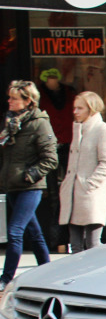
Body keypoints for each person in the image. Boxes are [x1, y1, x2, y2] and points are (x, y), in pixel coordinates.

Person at [0, 80, 56, 288]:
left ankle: (5, 279)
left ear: (28, 101)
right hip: (13, 185)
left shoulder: (40, 123)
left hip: (30, 187)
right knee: (35, 232)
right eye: (10, 97)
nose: (9, 101)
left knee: (15, 232)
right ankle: (48, 272)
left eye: (14, 98)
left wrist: (29, 176)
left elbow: (51, 159)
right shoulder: (11, 123)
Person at [59, 91, 106, 252]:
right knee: (75, 246)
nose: (75, 112)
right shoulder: (78, 130)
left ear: (91, 109)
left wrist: (89, 184)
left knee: (93, 245)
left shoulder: (104, 130)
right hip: (73, 194)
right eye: (74, 108)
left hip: (90, 194)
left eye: (80, 108)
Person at [36, 67, 76, 250]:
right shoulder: (40, 96)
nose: (51, 81)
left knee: (69, 192)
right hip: (50, 148)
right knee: (53, 196)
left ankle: (67, 238)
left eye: (54, 78)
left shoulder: (70, 93)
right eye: (48, 78)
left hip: (70, 146)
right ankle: (56, 240)